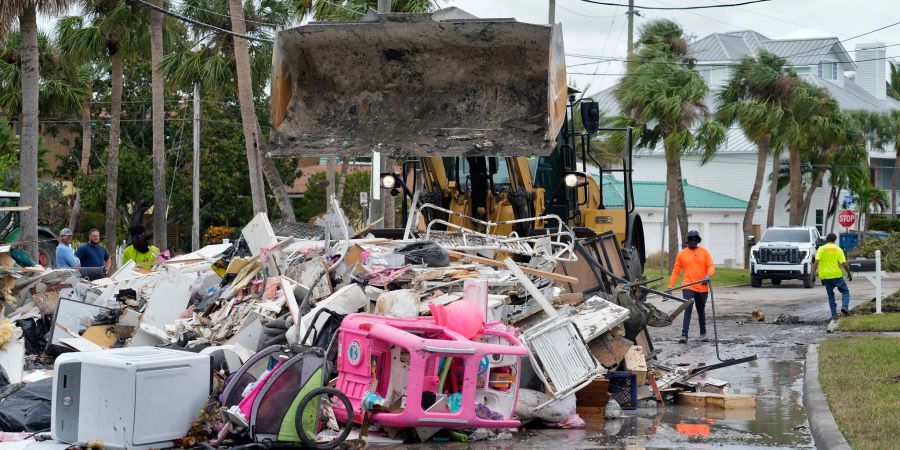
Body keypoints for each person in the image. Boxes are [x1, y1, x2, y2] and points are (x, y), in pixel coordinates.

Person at [668, 230, 715, 344]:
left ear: (698, 241)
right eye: (691, 240)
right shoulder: (682, 254)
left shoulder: (705, 253)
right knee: (687, 308)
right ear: (687, 241)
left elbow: (711, 267)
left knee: (700, 310)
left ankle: (703, 334)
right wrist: (670, 286)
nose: (693, 242)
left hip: (702, 287)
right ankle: (684, 335)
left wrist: (707, 276)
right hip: (688, 286)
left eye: (695, 240)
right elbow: (676, 271)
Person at [811, 233, 853, 321]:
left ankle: (834, 315)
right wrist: (848, 273)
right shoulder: (838, 249)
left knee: (830, 295)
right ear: (835, 240)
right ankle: (844, 306)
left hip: (826, 276)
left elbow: (816, 262)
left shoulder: (821, 249)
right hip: (836, 275)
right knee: (845, 291)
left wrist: (813, 274)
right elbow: (844, 263)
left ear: (826, 240)